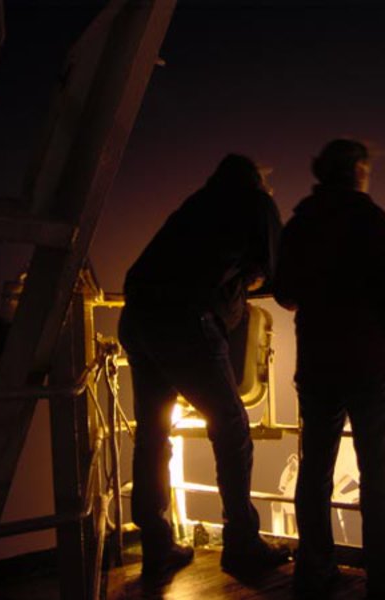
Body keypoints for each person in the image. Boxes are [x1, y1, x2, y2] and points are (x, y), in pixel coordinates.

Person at [118, 154, 289, 583]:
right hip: (185, 319)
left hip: (138, 314)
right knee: (231, 426)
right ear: (258, 181)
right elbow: (281, 278)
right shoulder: (255, 203)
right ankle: (242, 544)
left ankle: (157, 546)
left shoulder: (200, 203)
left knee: (153, 434)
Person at [274, 139, 385, 598]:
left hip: (317, 360)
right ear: (358, 170)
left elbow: (285, 292)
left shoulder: (301, 223)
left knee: (315, 468)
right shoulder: (370, 219)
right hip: (367, 359)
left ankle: (314, 568)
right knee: (377, 473)